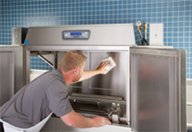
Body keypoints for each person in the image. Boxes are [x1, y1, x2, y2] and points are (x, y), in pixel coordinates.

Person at [0, 51, 111, 132]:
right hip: (10, 127)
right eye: (82, 68)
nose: (83, 71)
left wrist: (98, 71)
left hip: (9, 122)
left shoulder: (54, 75)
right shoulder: (56, 86)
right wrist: (95, 122)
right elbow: (71, 120)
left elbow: (77, 77)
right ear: (75, 70)